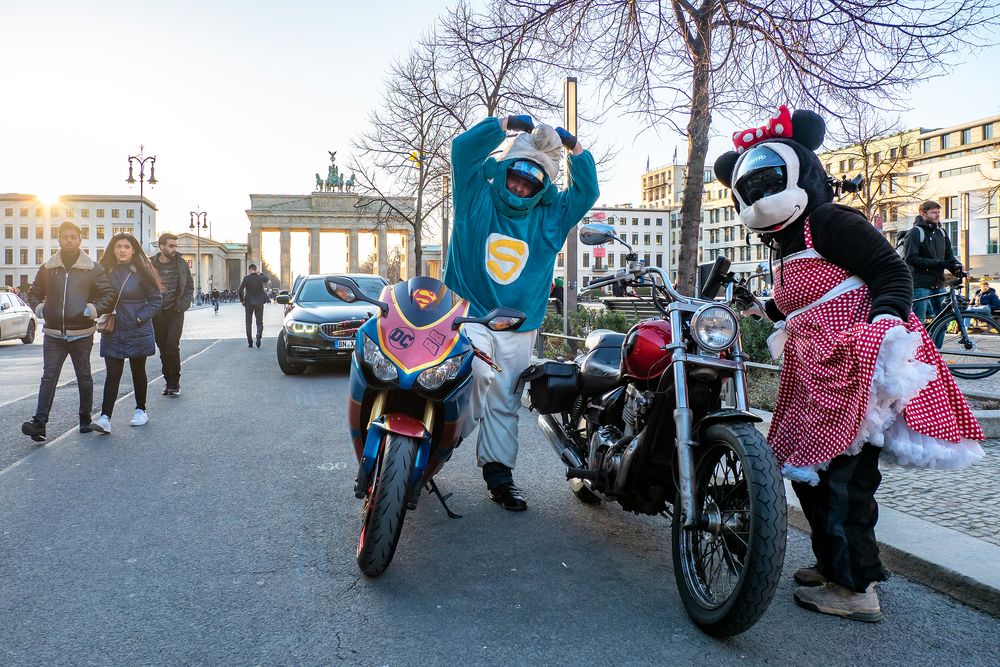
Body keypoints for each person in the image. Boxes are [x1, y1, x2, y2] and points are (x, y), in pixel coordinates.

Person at [714, 105, 983, 622]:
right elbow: (804, 298)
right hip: (816, 372)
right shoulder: (789, 241)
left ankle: (855, 587)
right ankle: (831, 564)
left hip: (855, 366)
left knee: (844, 479)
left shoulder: (830, 221)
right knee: (810, 475)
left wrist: (883, 324)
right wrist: (760, 308)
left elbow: (890, 272)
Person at [444, 113, 599, 511]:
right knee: (472, 376)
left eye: (531, 183)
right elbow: (463, 150)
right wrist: (504, 125)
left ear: (542, 187)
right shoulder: (475, 194)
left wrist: (575, 151)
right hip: (469, 313)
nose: (520, 187)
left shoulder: (551, 217)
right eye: (516, 176)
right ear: (507, 168)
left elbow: (585, 193)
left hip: (518, 325)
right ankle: (439, 439)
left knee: (505, 401)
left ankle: (499, 475)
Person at [21, 221, 116, 442]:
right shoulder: (48, 268)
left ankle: (84, 418)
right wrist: (40, 307)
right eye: (65, 237)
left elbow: (109, 295)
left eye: (73, 237)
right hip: (53, 334)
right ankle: (40, 423)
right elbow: (33, 293)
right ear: (59, 239)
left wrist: (93, 309)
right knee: (48, 377)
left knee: (84, 376)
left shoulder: (92, 268)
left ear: (80, 239)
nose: (69, 240)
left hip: (81, 333)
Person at [91, 233, 163, 433]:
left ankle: (141, 410)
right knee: (112, 374)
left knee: (138, 371)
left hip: (136, 328)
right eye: (118, 246)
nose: (122, 250)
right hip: (113, 328)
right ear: (112, 249)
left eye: (126, 247)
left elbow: (156, 299)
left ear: (133, 250)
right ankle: (105, 418)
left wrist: (140, 318)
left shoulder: (142, 271)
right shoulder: (104, 271)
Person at [903, 200, 963, 321]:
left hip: (939, 283)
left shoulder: (942, 232)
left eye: (938, 212)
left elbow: (948, 255)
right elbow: (911, 258)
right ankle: (919, 340)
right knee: (918, 322)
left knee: (943, 322)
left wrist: (956, 267)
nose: (937, 215)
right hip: (920, 284)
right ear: (922, 214)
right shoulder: (915, 232)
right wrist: (939, 263)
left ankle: (933, 340)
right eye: (933, 212)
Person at [151, 233, 194, 396]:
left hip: (175, 311)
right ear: (162, 247)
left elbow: (189, 286)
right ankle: (168, 381)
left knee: (172, 345)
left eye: (175, 246)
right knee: (162, 347)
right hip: (157, 313)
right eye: (171, 246)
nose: (174, 249)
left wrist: (183, 305)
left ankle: (175, 383)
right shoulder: (151, 265)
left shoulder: (181, 264)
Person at [238, 264, 270, 348]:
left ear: (249, 270)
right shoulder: (260, 277)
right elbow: (267, 279)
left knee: (248, 323)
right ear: (255, 270)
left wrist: (242, 300)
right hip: (259, 302)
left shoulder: (246, 278)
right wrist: (260, 273)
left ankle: (250, 342)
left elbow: (240, 290)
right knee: (259, 322)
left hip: (248, 302)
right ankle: (258, 335)